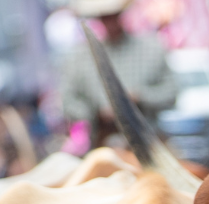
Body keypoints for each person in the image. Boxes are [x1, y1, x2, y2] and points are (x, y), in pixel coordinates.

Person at [58, 0, 176, 150]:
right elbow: (69, 101)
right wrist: (96, 112)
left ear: (121, 14)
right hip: (101, 142)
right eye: (105, 17)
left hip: (150, 140)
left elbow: (171, 93)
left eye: (113, 15)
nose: (110, 22)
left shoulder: (151, 49)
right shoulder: (79, 58)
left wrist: (139, 97)